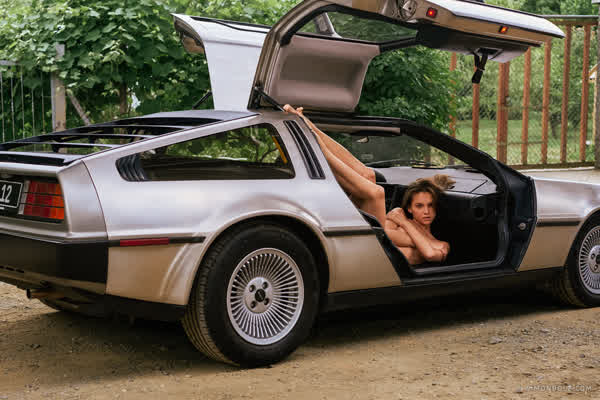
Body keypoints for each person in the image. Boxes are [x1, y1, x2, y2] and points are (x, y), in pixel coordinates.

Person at [283, 104, 451, 265]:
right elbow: (385, 234)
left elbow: (429, 254)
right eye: (419, 206)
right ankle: (307, 125)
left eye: (430, 205)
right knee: (368, 175)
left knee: (377, 193)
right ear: (410, 208)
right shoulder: (400, 216)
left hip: (373, 261)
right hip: (367, 246)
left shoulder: (440, 243)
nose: (426, 211)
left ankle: (310, 136)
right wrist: (414, 235)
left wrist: (405, 224)